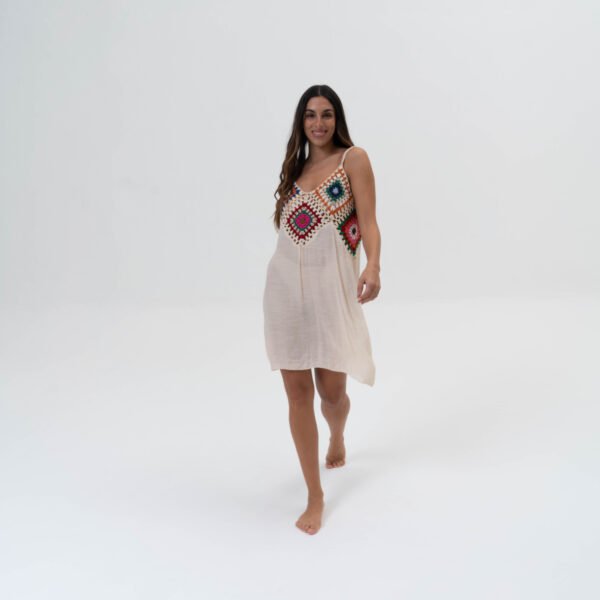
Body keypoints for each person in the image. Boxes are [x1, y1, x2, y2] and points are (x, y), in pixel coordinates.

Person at [262, 84, 382, 535]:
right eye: (310, 115)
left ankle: (336, 434)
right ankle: (315, 494)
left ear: (337, 119)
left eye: (326, 114)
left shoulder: (354, 160)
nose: (318, 123)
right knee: (297, 396)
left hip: (331, 295)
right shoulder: (295, 170)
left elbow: (368, 222)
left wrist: (373, 264)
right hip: (284, 294)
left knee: (332, 395)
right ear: (301, 122)